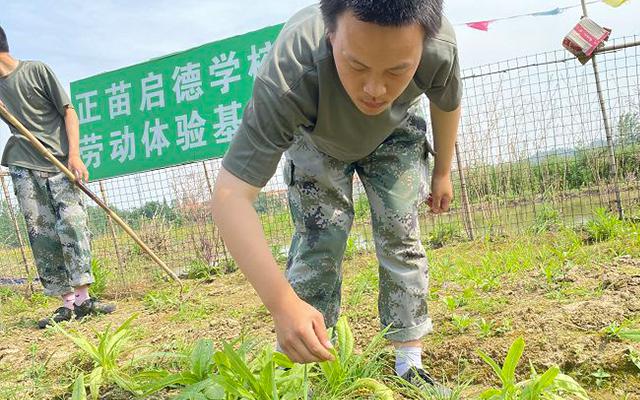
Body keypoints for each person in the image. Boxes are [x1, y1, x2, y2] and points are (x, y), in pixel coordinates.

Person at [212, 0, 461, 391]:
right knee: (320, 240)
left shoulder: (438, 44)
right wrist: (281, 304)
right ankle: (304, 365)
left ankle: (408, 362)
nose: (375, 89)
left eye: (398, 70)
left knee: (401, 234)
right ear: (330, 36)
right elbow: (229, 195)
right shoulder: (289, 69)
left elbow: (447, 102)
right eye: (357, 65)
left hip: (393, 132)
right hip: (316, 137)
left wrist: (443, 171)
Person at [0, 26, 115, 329]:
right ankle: (65, 304)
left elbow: (69, 112)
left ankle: (84, 298)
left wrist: (74, 154)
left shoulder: (37, 71)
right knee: (42, 234)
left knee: (73, 225)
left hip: (58, 161)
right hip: (22, 164)